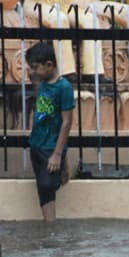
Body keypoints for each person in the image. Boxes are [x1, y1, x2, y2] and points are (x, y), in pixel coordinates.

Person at [25, 42, 74, 222]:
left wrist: (58, 154)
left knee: (48, 184)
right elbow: (42, 102)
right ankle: (49, 222)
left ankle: (50, 222)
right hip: (37, 142)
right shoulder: (43, 82)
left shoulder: (64, 88)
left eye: (36, 67)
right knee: (42, 187)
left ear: (49, 65)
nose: (34, 71)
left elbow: (67, 122)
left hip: (51, 145)